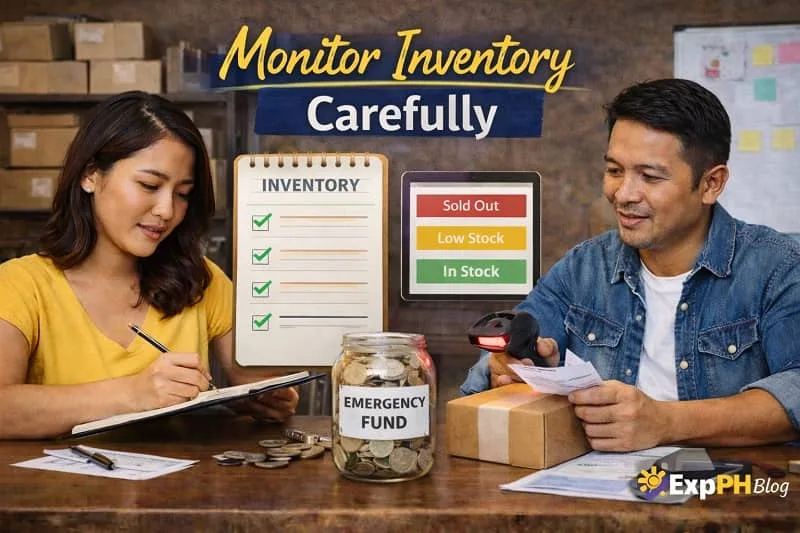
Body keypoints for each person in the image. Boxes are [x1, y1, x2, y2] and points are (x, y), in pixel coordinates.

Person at [460, 78, 800, 451]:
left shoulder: (778, 266)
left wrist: (664, 422)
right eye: (615, 170)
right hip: (600, 495)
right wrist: (514, 369)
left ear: (711, 184)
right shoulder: (582, 268)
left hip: (740, 496)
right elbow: (491, 372)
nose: (623, 194)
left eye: (650, 177)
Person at [0, 91, 298, 439]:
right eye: (149, 185)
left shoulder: (201, 280)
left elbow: (252, 381)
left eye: (182, 193)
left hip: (181, 490)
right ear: (91, 175)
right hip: (64, 492)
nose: (166, 211)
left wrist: (264, 399)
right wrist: (133, 393)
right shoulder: (20, 285)